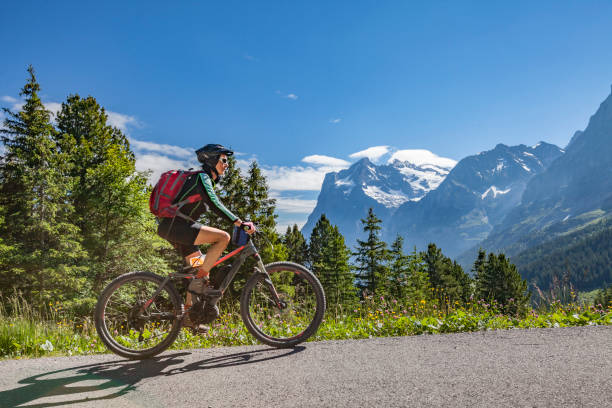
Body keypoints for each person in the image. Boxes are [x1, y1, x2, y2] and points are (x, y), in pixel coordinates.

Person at [156, 144, 255, 323]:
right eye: (224, 160)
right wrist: (240, 223)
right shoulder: (202, 178)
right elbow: (215, 203)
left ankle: (188, 318)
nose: (227, 165)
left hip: (176, 229)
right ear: (211, 160)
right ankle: (197, 284)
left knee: (200, 271)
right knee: (223, 237)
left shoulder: (202, 179)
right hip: (177, 228)